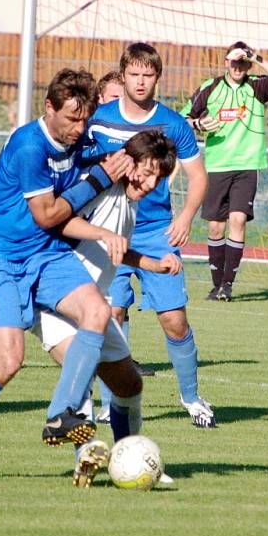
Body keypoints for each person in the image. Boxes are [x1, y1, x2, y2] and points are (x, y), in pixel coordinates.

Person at [0, 68, 133, 479]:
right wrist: (100, 177)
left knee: (98, 312)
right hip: (5, 261)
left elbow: (119, 147)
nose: (79, 128)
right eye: (71, 118)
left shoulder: (84, 138)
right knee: (7, 362)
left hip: (50, 256)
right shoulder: (28, 145)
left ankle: (62, 414)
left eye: (84, 119)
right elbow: (46, 214)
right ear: (49, 107)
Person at [34, 130, 180, 486]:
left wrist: (151, 263)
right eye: (145, 173)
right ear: (128, 161)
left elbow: (116, 248)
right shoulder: (98, 183)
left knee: (129, 386)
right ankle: (83, 457)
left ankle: (131, 456)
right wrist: (103, 234)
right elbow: (60, 221)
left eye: (157, 179)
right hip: (58, 299)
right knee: (80, 372)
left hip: (94, 306)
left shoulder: (130, 203)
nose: (147, 184)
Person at [83, 42, 216, 429]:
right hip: (109, 229)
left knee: (174, 320)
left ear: (157, 77)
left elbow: (198, 176)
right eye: (134, 74)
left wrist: (188, 216)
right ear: (122, 76)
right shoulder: (98, 120)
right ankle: (111, 402)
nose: (141, 82)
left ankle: (191, 397)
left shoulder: (173, 124)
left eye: (148, 75)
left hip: (157, 231)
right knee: (112, 313)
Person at [182, 41, 268, 301]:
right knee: (215, 228)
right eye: (234, 62)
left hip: (247, 165)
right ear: (226, 63)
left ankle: (227, 286)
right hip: (218, 166)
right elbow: (183, 119)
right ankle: (216, 284)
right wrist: (198, 123)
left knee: (238, 221)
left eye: (243, 62)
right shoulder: (209, 89)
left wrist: (255, 57)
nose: (238, 67)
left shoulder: (256, 86)